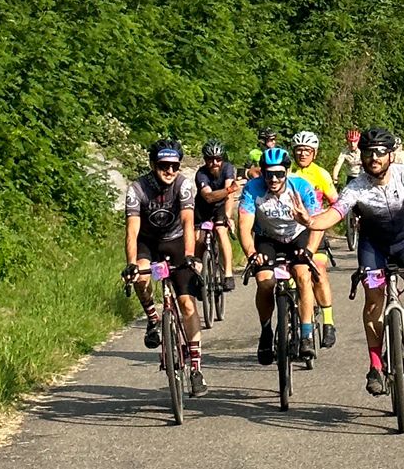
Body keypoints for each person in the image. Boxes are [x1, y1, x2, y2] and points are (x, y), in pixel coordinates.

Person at [305, 127, 404, 396]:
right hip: (373, 246)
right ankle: (376, 365)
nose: (373, 157)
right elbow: (335, 214)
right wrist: (310, 221)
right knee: (373, 298)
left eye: (379, 153)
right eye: (367, 153)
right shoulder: (356, 186)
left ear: (390, 155)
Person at [124, 140, 205, 395]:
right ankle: (153, 319)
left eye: (174, 165)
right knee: (140, 275)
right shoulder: (137, 189)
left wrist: (190, 256)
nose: (169, 170)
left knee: (187, 304)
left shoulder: (183, 185)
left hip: (176, 241)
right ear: (152, 165)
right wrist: (130, 264)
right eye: (163, 165)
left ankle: (196, 369)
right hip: (148, 242)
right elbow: (132, 230)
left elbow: (187, 220)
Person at [237, 145, 322, 363]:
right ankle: (266, 333)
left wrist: (310, 251)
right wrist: (251, 253)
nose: (273, 179)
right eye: (268, 174)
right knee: (264, 282)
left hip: (297, 236)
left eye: (279, 174)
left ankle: (306, 335)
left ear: (287, 172)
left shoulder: (301, 187)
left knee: (303, 275)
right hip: (268, 239)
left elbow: (317, 224)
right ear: (262, 173)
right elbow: (244, 227)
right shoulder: (253, 189)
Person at [289, 130, 339, 346]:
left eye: (307, 151)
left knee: (318, 272)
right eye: (299, 150)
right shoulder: (287, 172)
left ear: (314, 153)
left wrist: (324, 220)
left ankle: (328, 322)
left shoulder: (321, 174)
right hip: (290, 232)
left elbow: (336, 201)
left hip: (314, 230)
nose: (302, 154)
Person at [193, 139, 239, 292]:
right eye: (210, 159)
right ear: (205, 160)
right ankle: (197, 272)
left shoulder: (228, 169)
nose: (214, 163)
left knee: (220, 230)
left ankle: (228, 275)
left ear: (223, 159)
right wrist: (229, 190)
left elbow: (229, 196)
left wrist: (228, 216)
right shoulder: (201, 174)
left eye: (218, 159)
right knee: (198, 240)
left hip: (220, 207)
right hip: (203, 207)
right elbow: (208, 197)